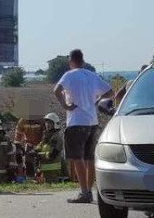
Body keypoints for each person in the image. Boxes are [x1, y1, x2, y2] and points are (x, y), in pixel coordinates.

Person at [54, 50, 114, 203]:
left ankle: (84, 192)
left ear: (71, 61)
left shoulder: (69, 75)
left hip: (76, 121)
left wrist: (65, 105)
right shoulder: (91, 75)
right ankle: (90, 190)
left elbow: (57, 90)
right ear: (82, 60)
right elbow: (110, 91)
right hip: (92, 122)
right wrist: (97, 99)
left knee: (77, 157)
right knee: (89, 158)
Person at [38, 112, 67, 183]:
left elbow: (53, 154)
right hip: (45, 172)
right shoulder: (45, 136)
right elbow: (40, 146)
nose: (47, 125)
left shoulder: (57, 136)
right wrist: (34, 150)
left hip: (54, 173)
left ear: (55, 124)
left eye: (50, 123)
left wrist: (40, 155)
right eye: (46, 123)